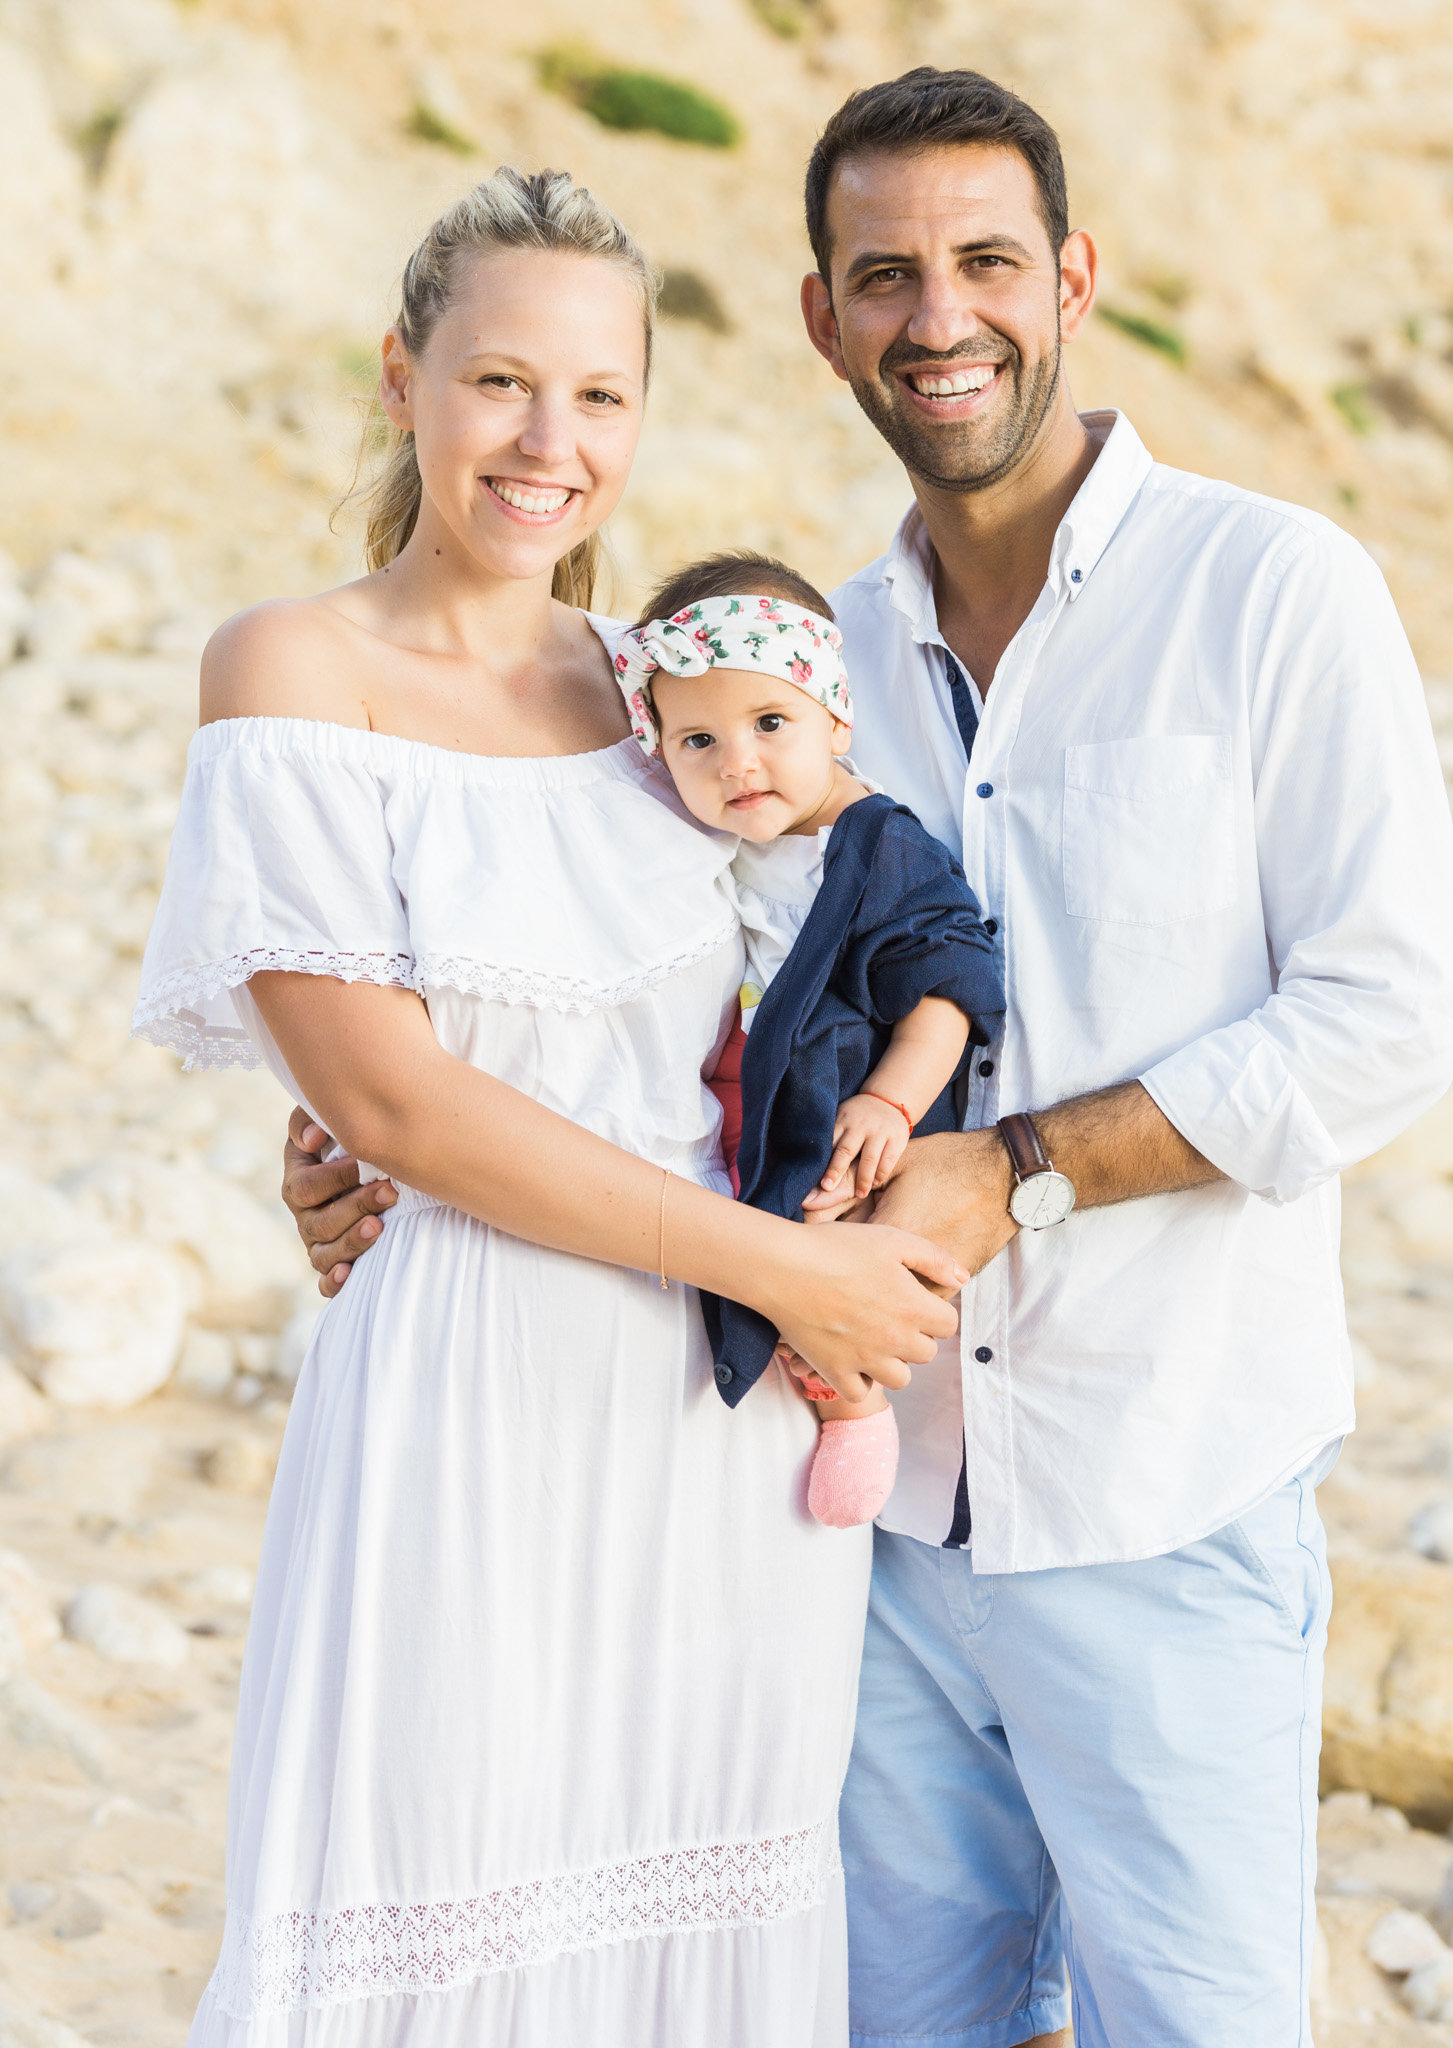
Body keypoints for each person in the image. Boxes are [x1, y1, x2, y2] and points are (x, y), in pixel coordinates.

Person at [282, 70, 1453, 2048]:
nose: (943, 315)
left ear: (1074, 278)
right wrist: (377, 1160)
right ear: (823, 317)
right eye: (885, 273)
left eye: (988, 260)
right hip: (857, 1541)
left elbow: (1387, 1013)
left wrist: (1020, 1162)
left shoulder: (1275, 593)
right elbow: (642, 1019)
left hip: (1163, 1501)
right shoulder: (788, 671)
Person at [134, 165, 969, 2048]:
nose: (547, 441)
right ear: (399, 380)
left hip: (725, 1427)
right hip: (475, 1398)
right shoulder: (295, 667)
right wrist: (782, 1263)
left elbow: (827, 959)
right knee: (424, 1900)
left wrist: (872, 1182)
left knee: (696, 1917)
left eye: (601, 395)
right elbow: (395, 1101)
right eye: (501, 381)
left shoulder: (665, 691)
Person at [613, 550, 1006, 1527]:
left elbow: (947, 984)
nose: (736, 760)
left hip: (850, 1106)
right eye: (697, 740)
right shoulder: (737, 841)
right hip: (763, 1084)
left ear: (836, 717)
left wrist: (893, 1101)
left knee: (825, 1240)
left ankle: (855, 1402)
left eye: (770, 724)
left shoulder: (878, 845)